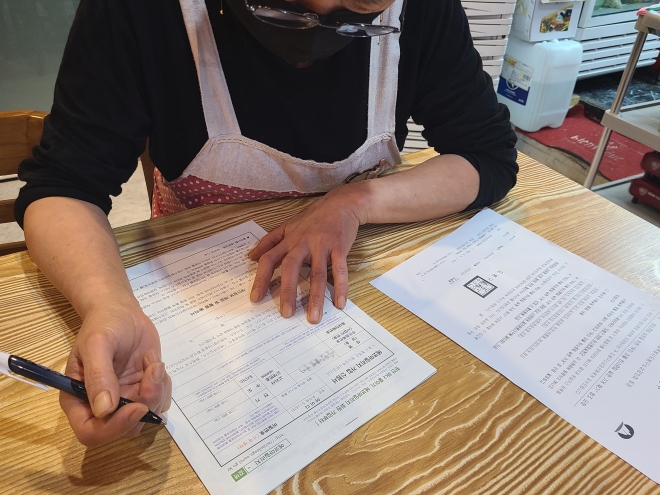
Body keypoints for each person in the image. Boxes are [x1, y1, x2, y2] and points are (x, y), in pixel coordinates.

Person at [15, 0, 518, 446]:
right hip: (195, 300)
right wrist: (107, 304)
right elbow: (64, 187)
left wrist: (355, 203)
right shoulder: (143, 12)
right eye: (281, 5)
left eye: (360, 11)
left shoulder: (424, 10)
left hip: (355, 303)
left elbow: (486, 154)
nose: (319, 25)